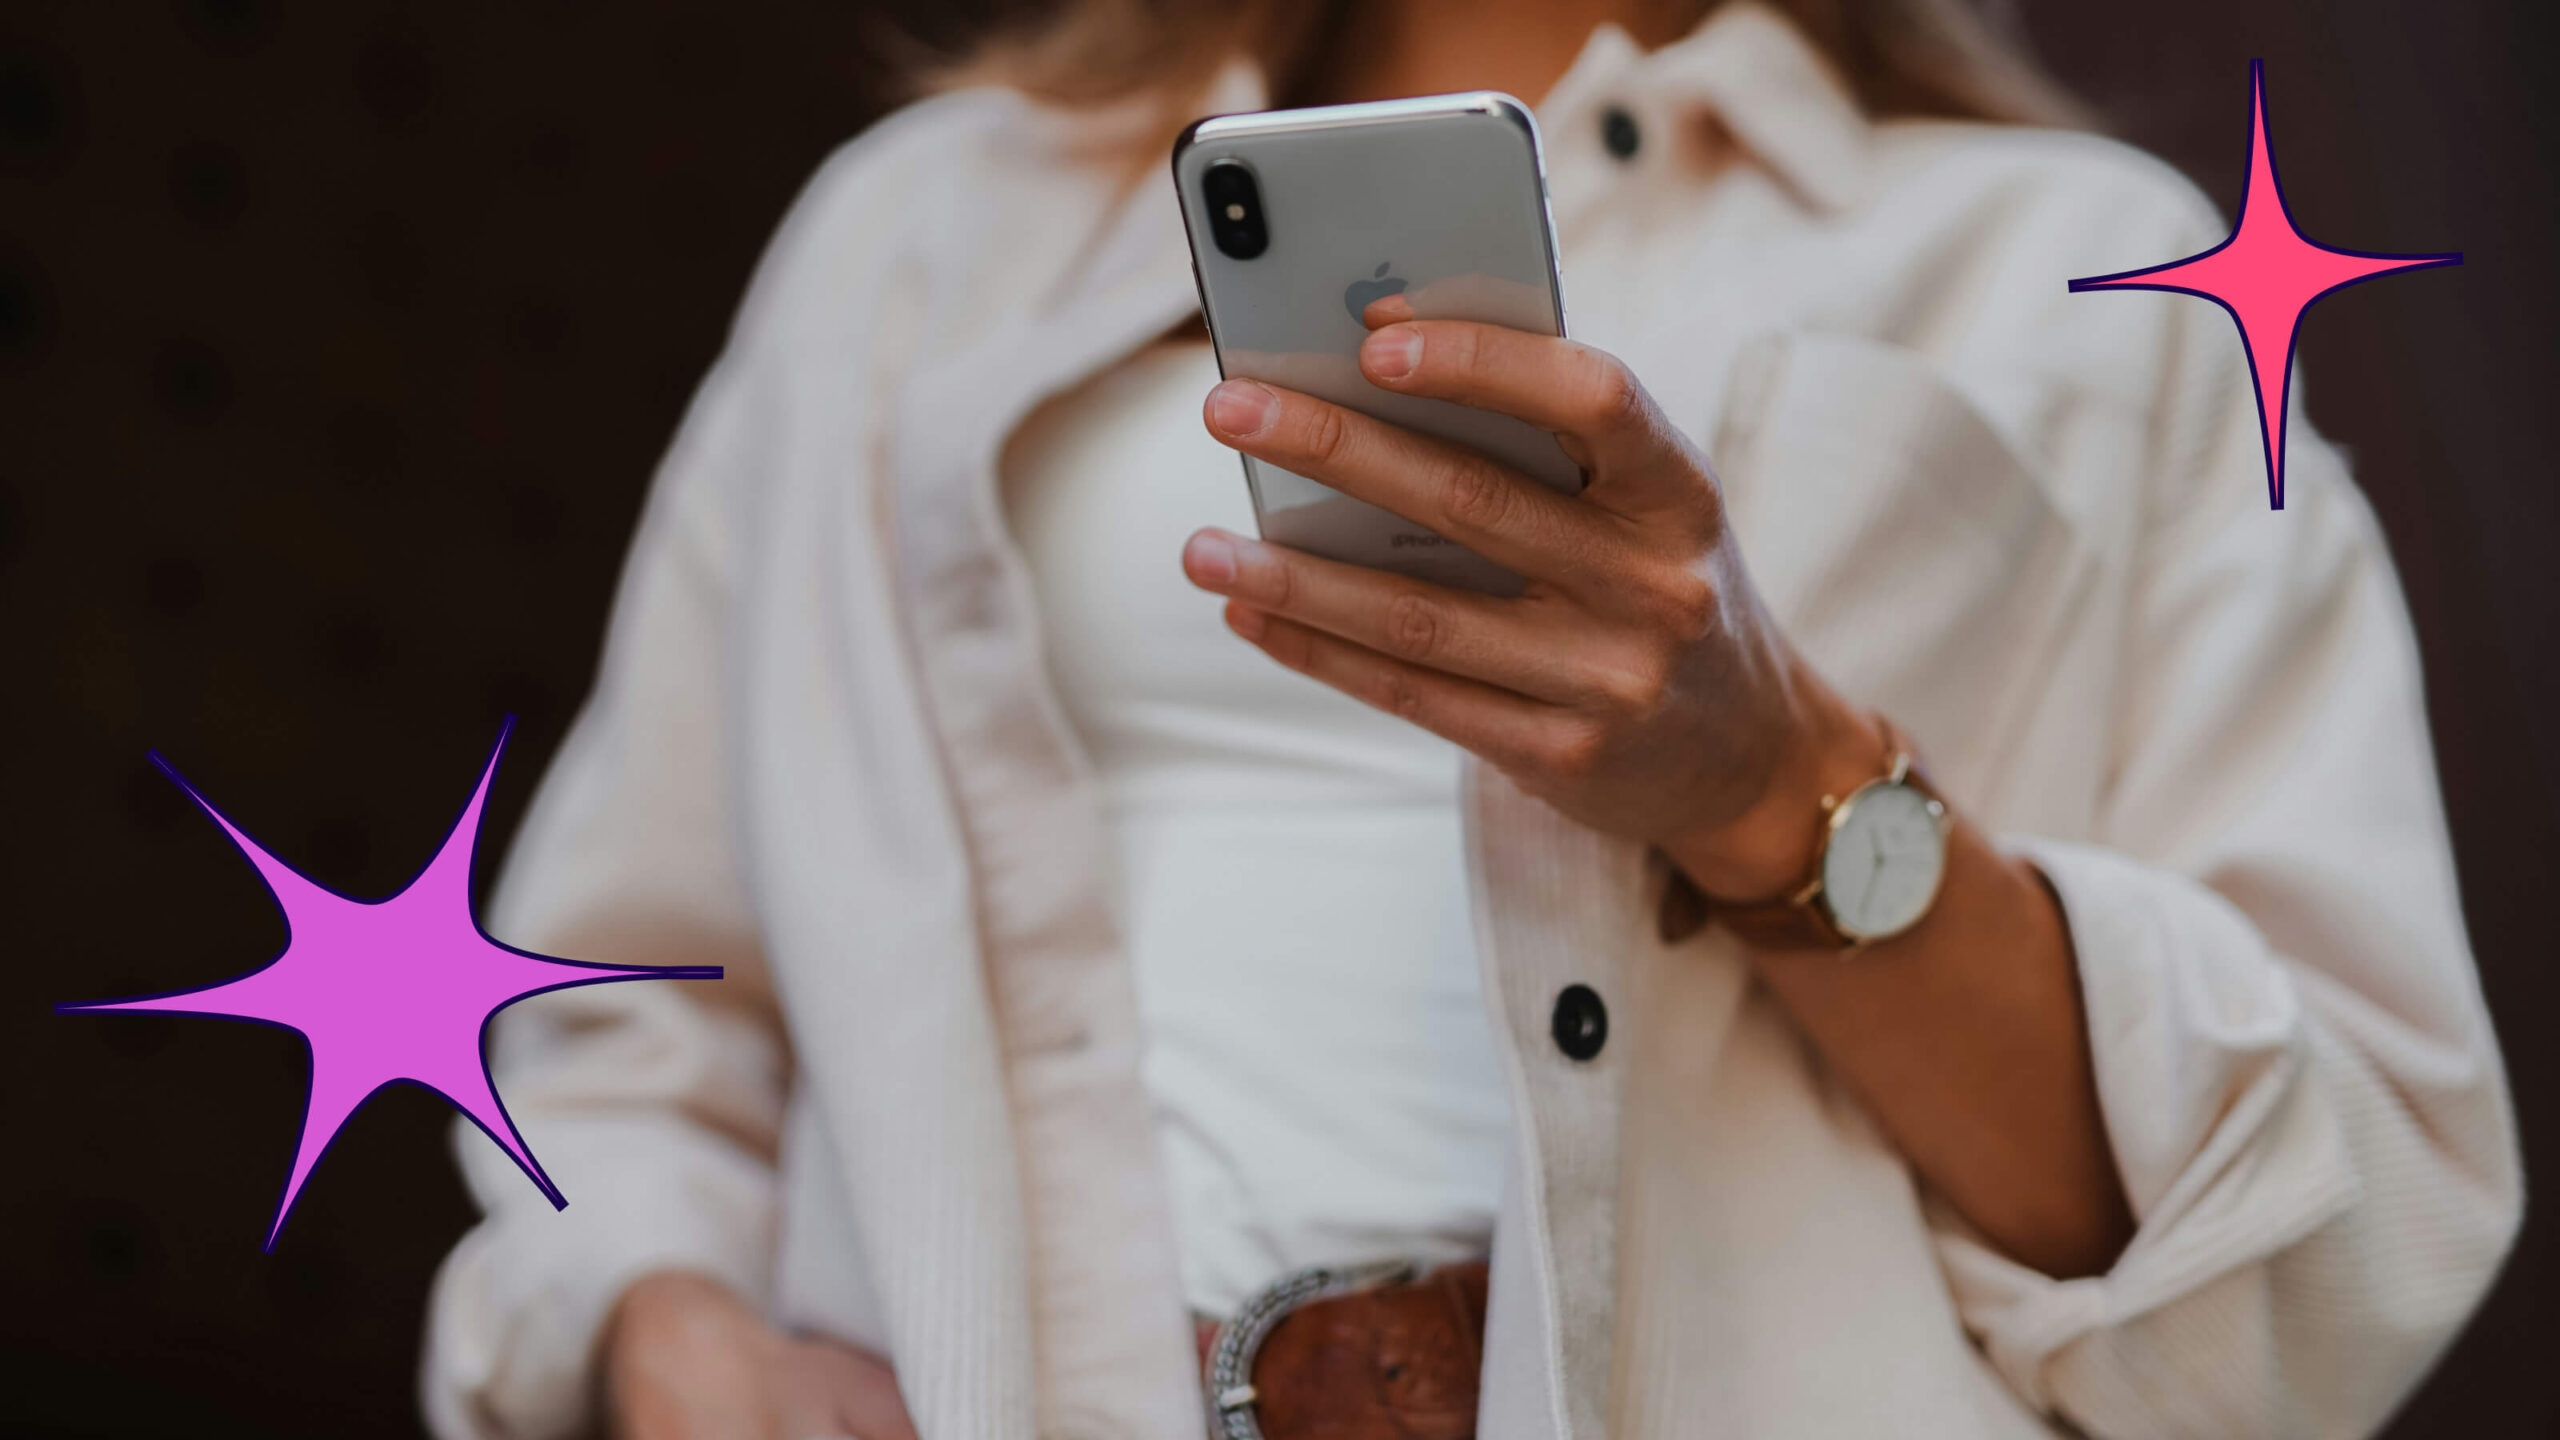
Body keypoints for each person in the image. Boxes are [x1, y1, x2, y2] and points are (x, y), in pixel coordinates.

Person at [420, 1, 2521, 1437]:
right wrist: (651, 1327)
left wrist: (1770, 788)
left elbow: (2325, 1223)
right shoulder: (913, 237)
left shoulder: (2086, 271)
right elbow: (622, 985)